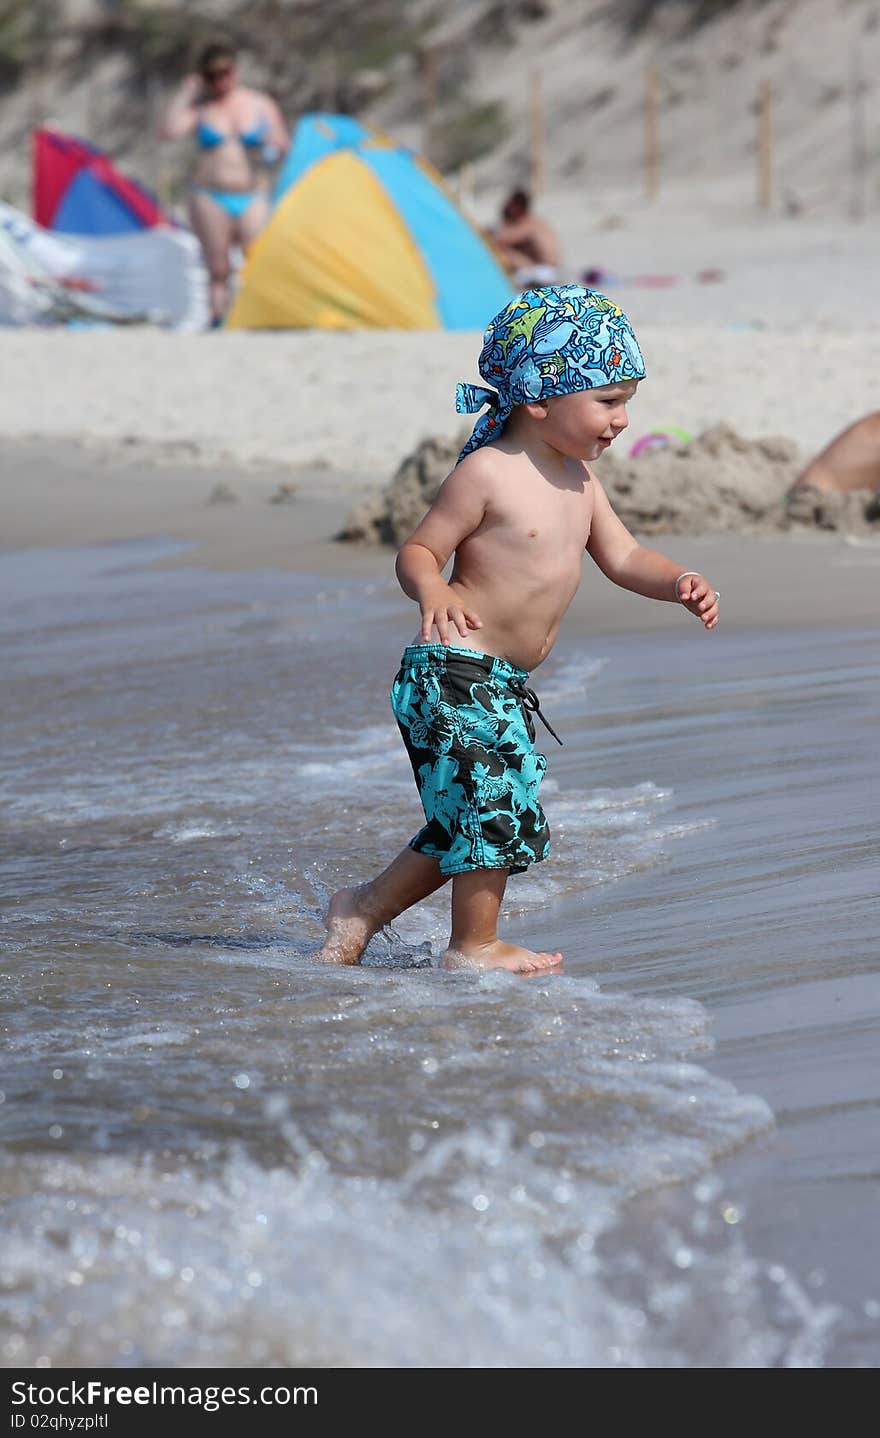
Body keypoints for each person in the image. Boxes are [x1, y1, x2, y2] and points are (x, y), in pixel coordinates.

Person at [317, 284, 720, 975]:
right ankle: (472, 946)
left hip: (499, 683)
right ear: (539, 399)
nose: (622, 420)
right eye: (609, 401)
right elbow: (417, 550)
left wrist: (677, 580)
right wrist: (434, 588)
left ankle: (361, 909)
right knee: (489, 808)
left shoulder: (582, 483)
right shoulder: (488, 473)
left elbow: (624, 557)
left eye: (628, 402)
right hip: (449, 672)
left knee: (468, 820)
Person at [158, 42, 288, 326]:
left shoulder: (259, 103)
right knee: (218, 268)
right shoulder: (202, 108)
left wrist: (270, 148)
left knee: (257, 261)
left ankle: (260, 316)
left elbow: (282, 142)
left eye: (225, 73)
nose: (221, 81)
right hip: (209, 195)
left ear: (236, 71)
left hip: (251, 193)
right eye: (212, 76)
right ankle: (219, 319)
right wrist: (187, 93)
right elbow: (168, 131)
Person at [489, 188, 562, 287]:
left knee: (501, 250)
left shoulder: (528, 224)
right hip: (549, 270)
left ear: (517, 207)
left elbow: (499, 240)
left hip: (544, 272)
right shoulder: (536, 222)